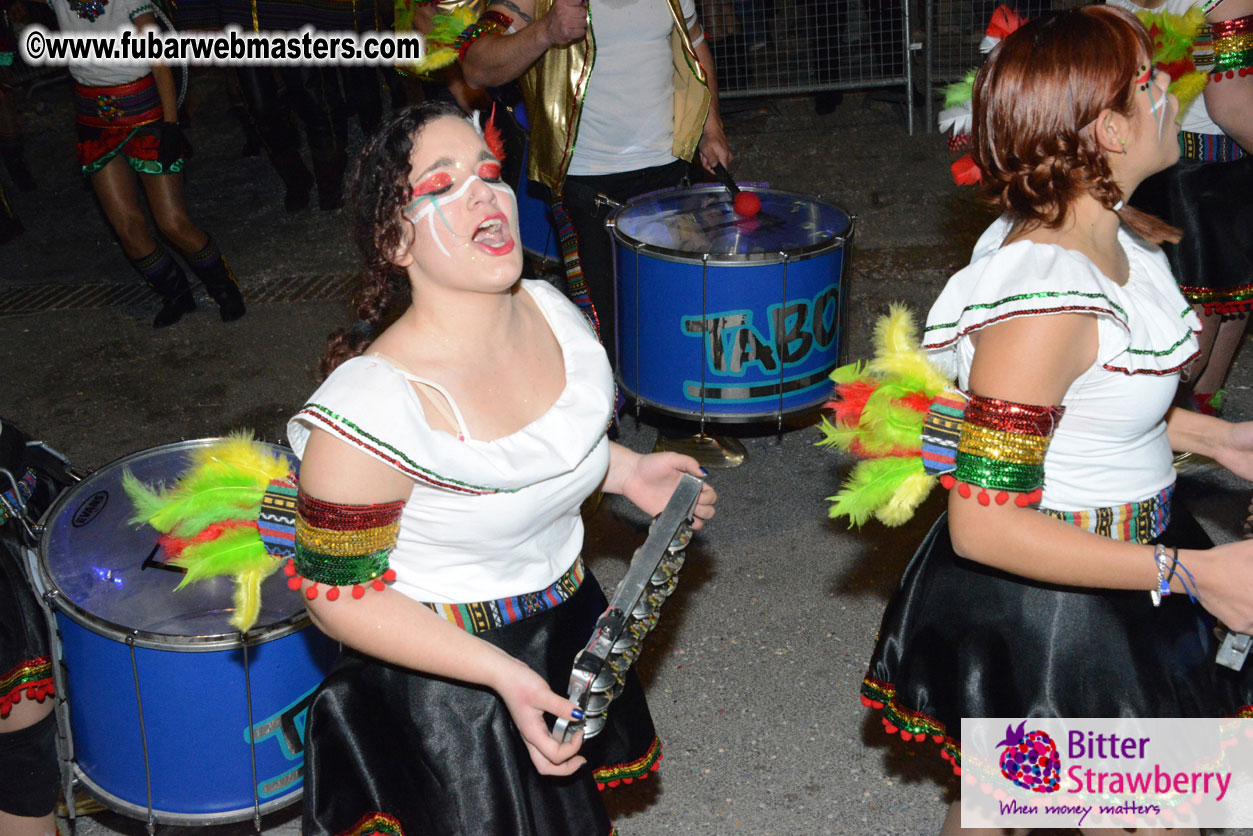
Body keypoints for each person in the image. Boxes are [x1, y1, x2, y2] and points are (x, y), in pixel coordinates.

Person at [851, 7, 1253, 833]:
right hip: (1062, 598)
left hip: (1128, 556)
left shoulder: (1112, 232)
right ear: (1108, 128)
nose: (1171, 91)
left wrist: (1214, 438)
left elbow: (1081, 409)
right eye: (1151, 82)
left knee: (1001, 805)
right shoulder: (1045, 300)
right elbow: (984, 528)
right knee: (1141, 813)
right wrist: (1192, 573)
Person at [285, 101, 717, 836]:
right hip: (445, 682)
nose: (484, 191)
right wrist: (499, 675)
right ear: (394, 240)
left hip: (562, 627)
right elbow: (337, 599)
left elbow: (536, 455)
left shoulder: (549, 310)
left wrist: (623, 471)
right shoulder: (368, 409)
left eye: (488, 172)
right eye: (442, 183)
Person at [459, 0, 732, 374]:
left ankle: (679, 427)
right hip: (586, 183)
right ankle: (604, 421)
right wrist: (544, 32)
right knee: (604, 328)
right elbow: (475, 66)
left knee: (676, 311)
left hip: (670, 172)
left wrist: (711, 128)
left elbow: (694, 43)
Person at [37, 0, 246, 327]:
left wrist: (172, 126)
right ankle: (175, 293)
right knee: (128, 230)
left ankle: (224, 289)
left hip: (145, 115)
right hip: (94, 119)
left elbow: (159, 62)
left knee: (172, 224)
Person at [1108, 0, 1253, 416]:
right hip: (1205, 171)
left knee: (1226, 286)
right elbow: (1232, 106)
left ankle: (1197, 413)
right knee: (1199, 305)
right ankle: (1174, 422)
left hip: (1134, 155)